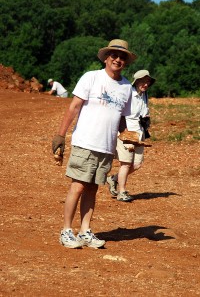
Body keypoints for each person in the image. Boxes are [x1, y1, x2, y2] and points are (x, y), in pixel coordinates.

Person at [52, 39, 137, 249]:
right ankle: (66, 231)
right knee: (78, 185)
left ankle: (85, 231)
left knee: (92, 189)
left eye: (122, 57)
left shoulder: (126, 87)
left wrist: (126, 135)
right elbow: (73, 106)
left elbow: (121, 117)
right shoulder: (91, 77)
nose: (118, 60)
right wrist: (61, 135)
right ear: (106, 58)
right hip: (86, 141)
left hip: (106, 146)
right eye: (114, 56)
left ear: (125, 62)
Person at [107, 70, 156, 202]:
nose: (145, 84)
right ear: (137, 81)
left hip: (139, 133)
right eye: (143, 81)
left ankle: (114, 179)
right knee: (126, 163)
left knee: (137, 164)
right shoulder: (128, 93)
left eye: (147, 82)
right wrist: (124, 133)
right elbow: (120, 113)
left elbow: (144, 112)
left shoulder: (144, 95)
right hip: (126, 132)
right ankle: (122, 192)